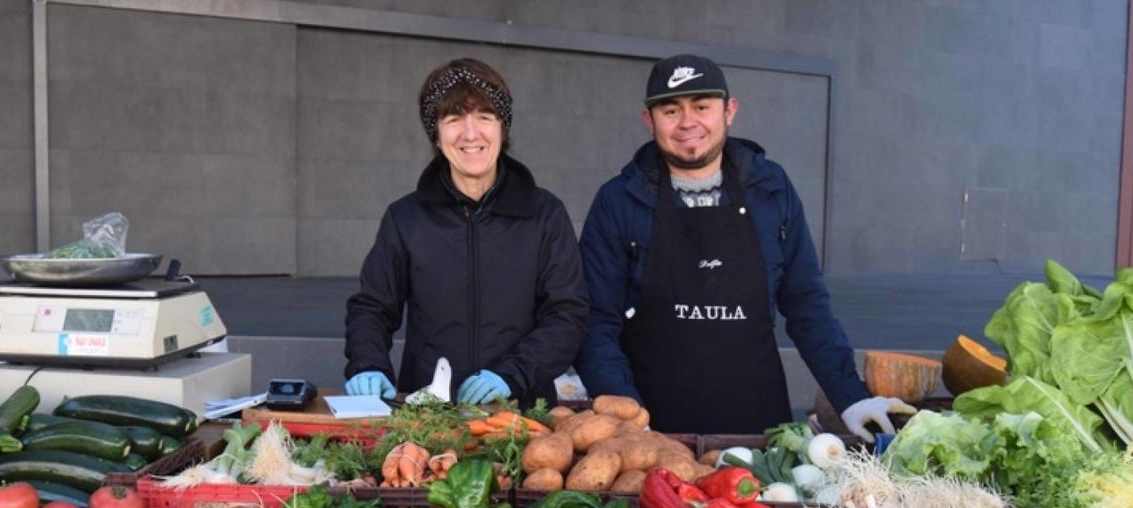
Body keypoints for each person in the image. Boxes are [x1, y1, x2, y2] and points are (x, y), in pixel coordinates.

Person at [575, 54, 912, 439]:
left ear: (729, 111)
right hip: (653, 431)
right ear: (649, 120)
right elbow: (596, 321)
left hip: (758, 427)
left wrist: (850, 397)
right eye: (670, 110)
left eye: (702, 107)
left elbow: (807, 304)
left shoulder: (771, 189)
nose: (687, 122)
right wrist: (627, 418)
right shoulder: (619, 201)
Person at [344, 58, 589, 405]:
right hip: (427, 414)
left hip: (521, 414)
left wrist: (513, 375)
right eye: (454, 119)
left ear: (502, 128)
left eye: (484, 117)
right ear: (436, 133)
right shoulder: (405, 218)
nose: (470, 134)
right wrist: (368, 363)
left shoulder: (545, 215)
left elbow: (568, 314)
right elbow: (372, 307)